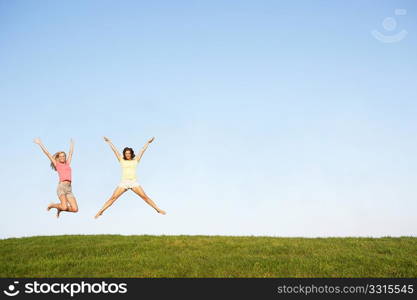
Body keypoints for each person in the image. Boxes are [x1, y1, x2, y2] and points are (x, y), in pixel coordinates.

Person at [94, 136, 166, 218]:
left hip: (133, 182)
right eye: (126, 153)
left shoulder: (136, 160)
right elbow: (115, 151)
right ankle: (101, 211)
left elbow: (142, 150)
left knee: (145, 197)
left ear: (131, 154)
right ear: (124, 154)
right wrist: (109, 142)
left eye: (129, 153)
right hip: (124, 182)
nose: (127, 155)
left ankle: (157, 209)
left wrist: (148, 143)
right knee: (113, 198)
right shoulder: (121, 160)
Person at [33, 138, 79, 217]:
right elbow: (47, 153)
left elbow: (71, 153)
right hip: (61, 187)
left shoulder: (67, 164)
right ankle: (53, 205)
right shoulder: (57, 164)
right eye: (61, 156)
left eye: (64, 156)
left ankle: (60, 208)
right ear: (58, 157)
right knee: (64, 206)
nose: (62, 157)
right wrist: (40, 143)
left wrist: (72, 144)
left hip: (69, 188)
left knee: (75, 209)